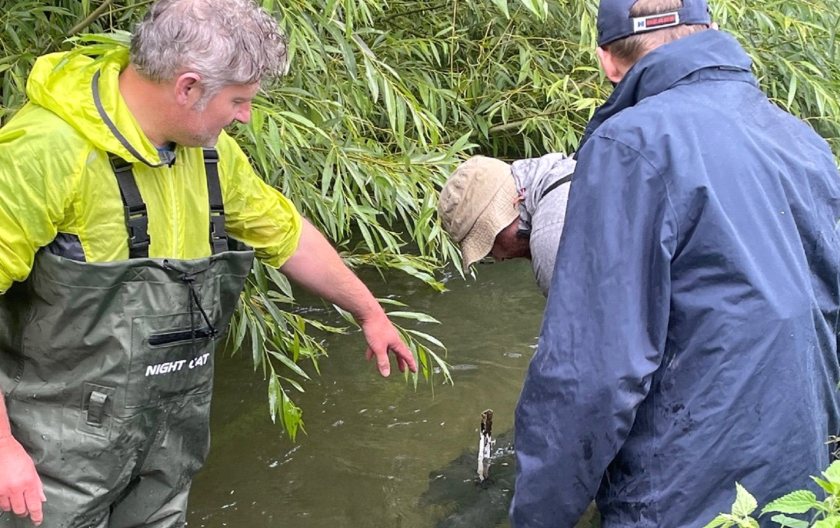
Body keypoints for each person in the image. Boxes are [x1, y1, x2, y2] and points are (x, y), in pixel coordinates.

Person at [0, 0, 417, 526]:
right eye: (239, 100)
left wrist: (368, 311)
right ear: (188, 87)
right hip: (49, 457)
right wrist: (3, 449)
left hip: (166, 445)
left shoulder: (212, 155)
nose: (245, 116)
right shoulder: (45, 152)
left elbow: (286, 235)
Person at [511, 0, 840, 526]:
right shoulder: (806, 142)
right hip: (807, 489)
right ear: (709, 29)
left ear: (608, 62)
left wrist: (536, 515)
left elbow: (589, 378)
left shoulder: (629, 146)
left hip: (684, 503)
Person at [437, 153, 575, 296]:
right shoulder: (569, 167)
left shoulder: (549, 240)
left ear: (513, 203)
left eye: (489, 246)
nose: (498, 257)